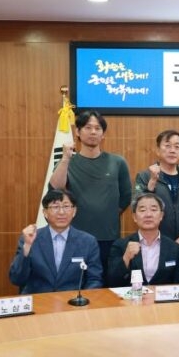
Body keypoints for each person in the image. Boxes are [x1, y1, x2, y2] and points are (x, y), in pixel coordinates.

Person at [49, 110, 132, 282]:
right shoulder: (68, 162)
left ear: (103, 134)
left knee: (107, 285)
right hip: (75, 238)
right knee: (78, 284)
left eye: (97, 128)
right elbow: (55, 189)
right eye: (88, 127)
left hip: (109, 238)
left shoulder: (117, 162)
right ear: (78, 132)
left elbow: (125, 197)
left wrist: (105, 213)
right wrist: (65, 159)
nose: (93, 132)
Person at [9, 189, 103, 293]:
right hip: (39, 300)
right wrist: (27, 246)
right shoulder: (30, 238)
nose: (61, 212)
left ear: (74, 211)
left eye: (66, 206)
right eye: (55, 207)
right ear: (45, 212)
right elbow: (16, 279)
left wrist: (83, 299)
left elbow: (94, 280)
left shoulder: (88, 242)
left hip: (73, 301)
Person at [134, 130, 179, 252]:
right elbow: (136, 206)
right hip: (154, 243)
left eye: (177, 147)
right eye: (167, 146)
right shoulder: (144, 176)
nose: (172, 150)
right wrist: (151, 184)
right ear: (158, 150)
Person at [106, 193, 179, 287]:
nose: (148, 215)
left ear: (161, 216)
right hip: (131, 296)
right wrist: (126, 258)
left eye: (153, 210)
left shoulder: (175, 248)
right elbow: (112, 282)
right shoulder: (120, 245)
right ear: (134, 217)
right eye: (142, 210)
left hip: (163, 297)